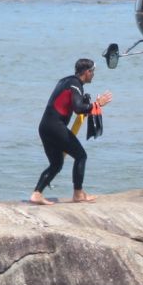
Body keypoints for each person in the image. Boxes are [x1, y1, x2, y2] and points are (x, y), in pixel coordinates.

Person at [30, 58, 112, 204]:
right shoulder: (75, 84)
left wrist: (88, 105)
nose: (93, 75)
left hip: (45, 127)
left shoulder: (66, 81)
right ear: (87, 72)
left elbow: (73, 106)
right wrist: (97, 104)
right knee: (81, 156)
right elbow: (78, 108)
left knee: (56, 164)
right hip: (55, 126)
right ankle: (78, 194)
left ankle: (36, 194)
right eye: (93, 72)